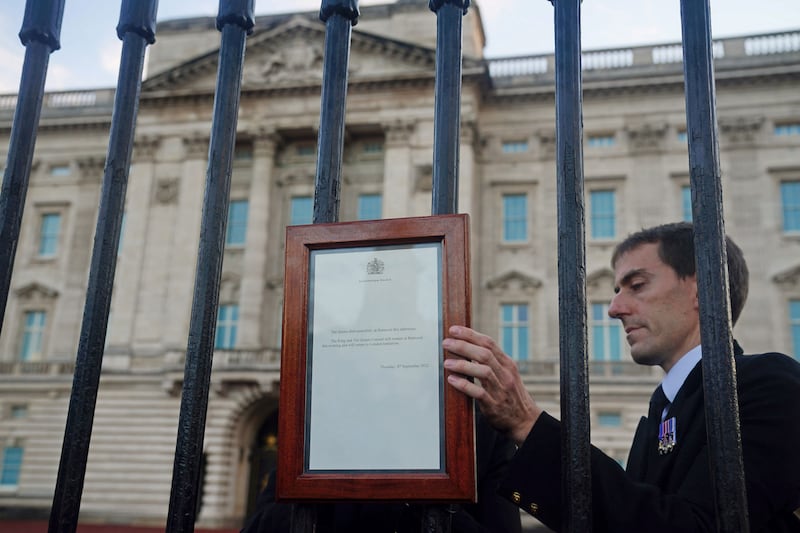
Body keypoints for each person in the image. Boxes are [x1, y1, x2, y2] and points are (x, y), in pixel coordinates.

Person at [443, 222, 800, 532]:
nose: (614, 308)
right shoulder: (662, 408)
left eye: (637, 285)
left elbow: (694, 526)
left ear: (701, 288)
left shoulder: (768, 384)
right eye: (617, 291)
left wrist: (527, 424)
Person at [240, 411, 523, 533]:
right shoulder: (321, 425)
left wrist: (417, 491)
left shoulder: (483, 429)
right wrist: (325, 475)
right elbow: (258, 527)